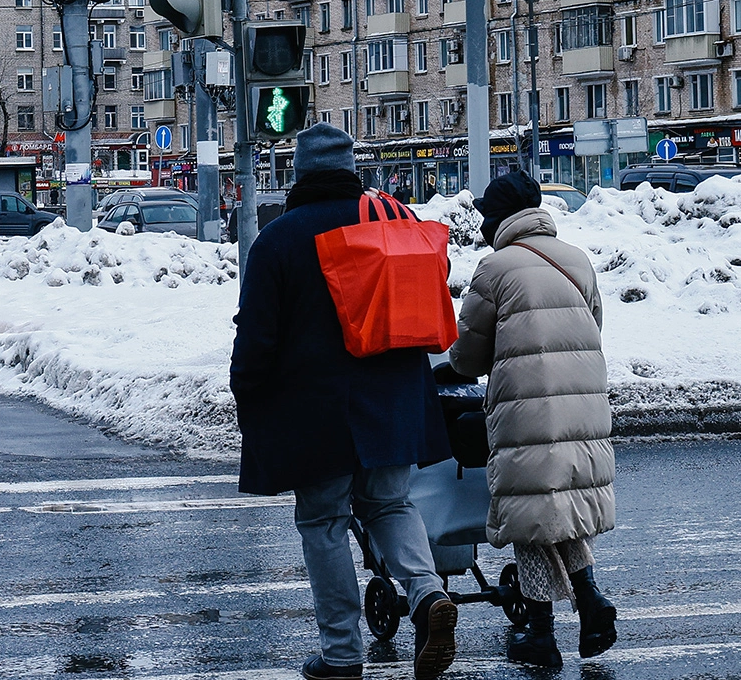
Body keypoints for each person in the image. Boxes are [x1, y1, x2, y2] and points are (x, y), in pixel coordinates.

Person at [230, 123, 458, 680]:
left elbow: (258, 335)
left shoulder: (280, 237)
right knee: (391, 504)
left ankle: (342, 654)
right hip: (395, 398)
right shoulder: (391, 222)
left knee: (324, 520)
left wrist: (246, 390)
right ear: (352, 169)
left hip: (317, 410)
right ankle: (428, 596)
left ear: (300, 173)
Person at [449, 171, 617, 668]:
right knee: (557, 511)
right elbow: (593, 325)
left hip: (527, 409)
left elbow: (470, 358)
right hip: (582, 406)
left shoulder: (495, 269)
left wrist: (452, 362)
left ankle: (542, 635)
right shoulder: (578, 261)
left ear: (498, 218)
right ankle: (590, 604)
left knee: (530, 516)